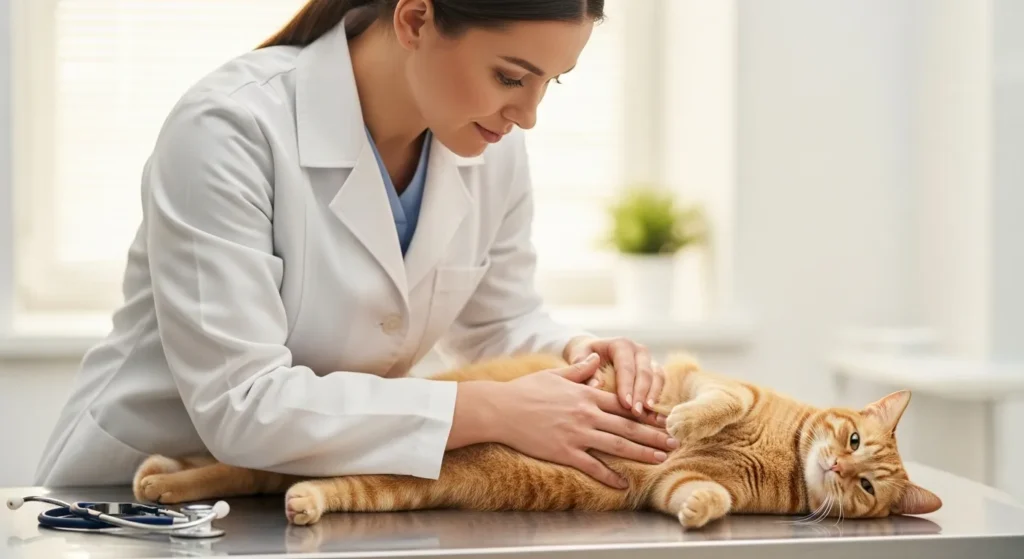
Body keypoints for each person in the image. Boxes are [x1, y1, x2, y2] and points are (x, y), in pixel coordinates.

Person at [34, 0, 677, 491]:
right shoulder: (230, 129)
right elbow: (244, 406)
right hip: (133, 500)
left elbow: (498, 322)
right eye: (512, 76)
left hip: (301, 495)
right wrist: (494, 409)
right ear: (416, 19)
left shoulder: (487, 149)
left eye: (552, 83)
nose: (528, 114)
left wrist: (575, 352)